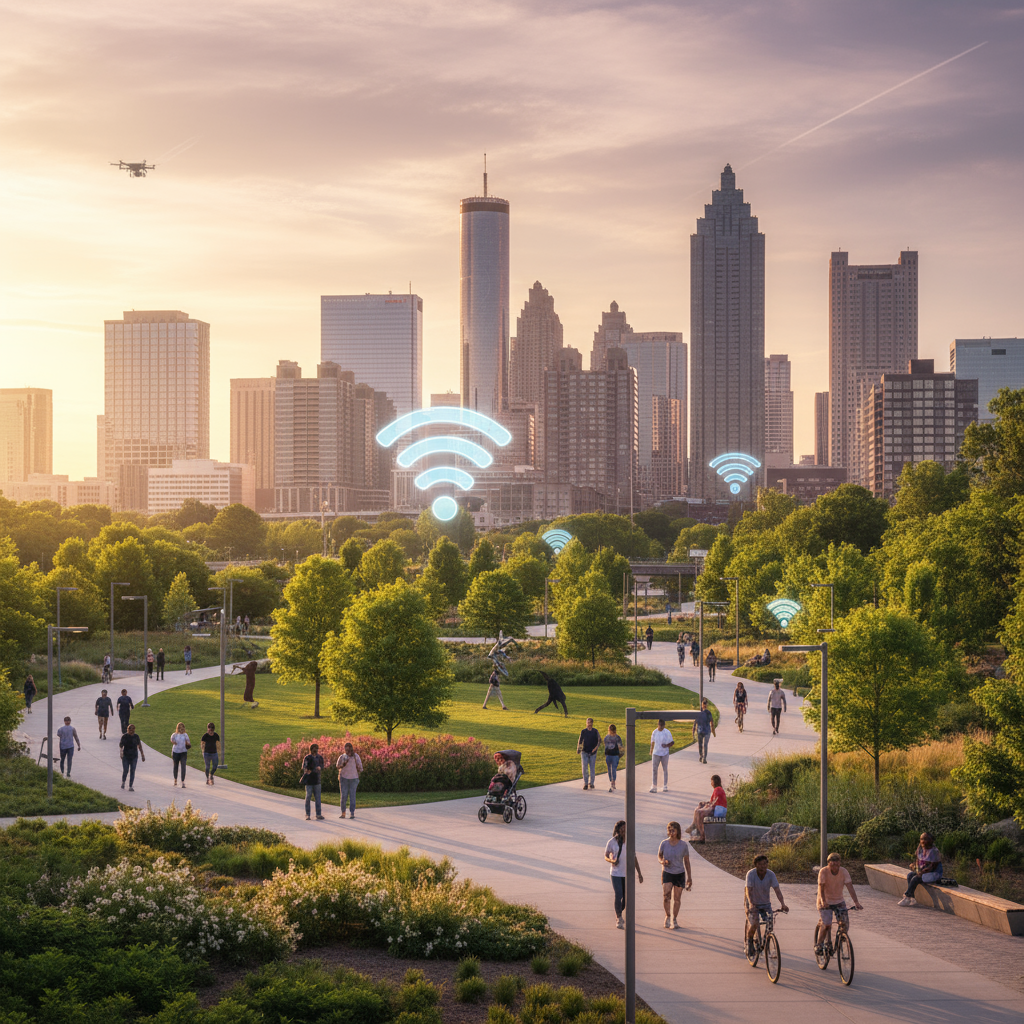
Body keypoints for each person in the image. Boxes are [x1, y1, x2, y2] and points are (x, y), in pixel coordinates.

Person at [815, 852, 863, 955]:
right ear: (828, 864)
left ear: (840, 863)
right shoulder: (823, 871)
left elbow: (850, 887)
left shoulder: (844, 871)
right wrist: (823, 901)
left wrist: (856, 902)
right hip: (824, 901)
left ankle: (841, 938)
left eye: (837, 864)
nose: (835, 867)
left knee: (844, 924)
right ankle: (819, 944)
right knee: (827, 924)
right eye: (832, 864)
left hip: (838, 901)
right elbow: (821, 888)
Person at [744, 854, 788, 957]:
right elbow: (748, 890)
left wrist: (783, 904)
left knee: (770, 924)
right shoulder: (751, 874)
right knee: (754, 923)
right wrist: (751, 904)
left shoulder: (771, 874)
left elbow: (777, 890)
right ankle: (749, 942)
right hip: (752, 903)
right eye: (760, 864)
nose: (763, 866)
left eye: (765, 864)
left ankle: (766, 944)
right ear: (756, 865)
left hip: (765, 903)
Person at [605, 819, 643, 929]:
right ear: (617, 830)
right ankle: (619, 917)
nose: (624, 831)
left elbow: (634, 857)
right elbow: (606, 855)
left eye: (625, 829)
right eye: (622, 829)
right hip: (616, 873)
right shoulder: (612, 842)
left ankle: (619, 910)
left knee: (626, 898)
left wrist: (639, 873)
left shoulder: (630, 841)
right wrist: (612, 861)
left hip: (628, 874)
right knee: (619, 894)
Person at [657, 821, 692, 929]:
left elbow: (686, 861)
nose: (671, 832)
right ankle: (667, 916)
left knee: (677, 899)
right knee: (666, 896)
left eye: (673, 830)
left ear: (677, 831)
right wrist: (662, 861)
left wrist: (689, 877)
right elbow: (659, 856)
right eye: (669, 830)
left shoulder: (683, 845)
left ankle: (674, 918)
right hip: (667, 872)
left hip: (679, 873)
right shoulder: (664, 843)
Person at [898, 832, 942, 906]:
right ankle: (912, 898)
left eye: (926, 839)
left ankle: (907, 896)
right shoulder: (921, 849)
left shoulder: (934, 851)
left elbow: (932, 867)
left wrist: (921, 872)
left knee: (916, 878)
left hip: (934, 874)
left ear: (931, 840)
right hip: (923, 872)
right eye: (921, 839)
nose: (923, 841)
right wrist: (914, 865)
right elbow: (918, 860)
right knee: (910, 875)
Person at [688, 774, 727, 841]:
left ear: (714, 782)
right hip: (718, 809)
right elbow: (712, 802)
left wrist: (706, 807)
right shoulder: (718, 789)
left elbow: (714, 803)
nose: (711, 783)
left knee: (699, 812)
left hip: (719, 810)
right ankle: (695, 827)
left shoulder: (717, 789)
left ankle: (702, 835)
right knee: (698, 809)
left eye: (711, 781)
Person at [337, 741, 363, 819]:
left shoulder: (356, 756)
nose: (347, 751)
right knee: (343, 796)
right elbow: (337, 766)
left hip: (354, 778)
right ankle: (343, 812)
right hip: (343, 778)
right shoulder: (342, 756)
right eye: (346, 749)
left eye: (349, 749)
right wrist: (343, 764)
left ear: (351, 749)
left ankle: (352, 812)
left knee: (352, 796)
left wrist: (358, 768)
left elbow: (360, 768)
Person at [301, 742, 325, 820]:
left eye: (316, 749)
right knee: (308, 797)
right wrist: (308, 770)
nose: (316, 750)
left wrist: (319, 768)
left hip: (317, 780)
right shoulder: (307, 758)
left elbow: (322, 766)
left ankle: (318, 814)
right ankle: (307, 814)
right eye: (314, 749)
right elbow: (305, 767)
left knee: (318, 798)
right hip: (309, 781)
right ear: (311, 750)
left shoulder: (320, 758)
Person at [649, 718, 674, 793]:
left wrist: (666, 745)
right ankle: (654, 786)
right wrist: (651, 750)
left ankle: (665, 785)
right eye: (660, 726)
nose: (661, 727)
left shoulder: (667, 732)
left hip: (664, 753)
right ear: (658, 725)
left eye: (662, 726)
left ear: (664, 725)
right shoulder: (654, 732)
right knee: (654, 769)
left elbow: (672, 742)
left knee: (665, 769)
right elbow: (652, 742)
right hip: (656, 753)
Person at [119, 723, 145, 790]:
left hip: (134, 756)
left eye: (133, 730)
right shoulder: (124, 736)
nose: (132, 731)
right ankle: (123, 782)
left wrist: (142, 754)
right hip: (126, 756)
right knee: (126, 770)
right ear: (128, 730)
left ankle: (130, 785)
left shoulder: (136, 737)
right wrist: (121, 753)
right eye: (130, 730)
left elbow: (139, 745)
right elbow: (121, 745)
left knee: (132, 771)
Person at [577, 716, 600, 790]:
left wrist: (595, 749)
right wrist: (579, 749)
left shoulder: (595, 731)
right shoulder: (583, 731)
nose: (589, 724)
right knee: (585, 768)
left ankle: (592, 783)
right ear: (586, 723)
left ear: (592, 723)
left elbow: (599, 741)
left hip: (593, 753)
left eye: (590, 722)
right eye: (588, 722)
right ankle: (586, 783)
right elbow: (580, 741)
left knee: (592, 768)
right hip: (584, 752)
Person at [692, 698, 715, 763]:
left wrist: (713, 730)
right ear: (702, 705)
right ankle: (701, 755)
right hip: (700, 731)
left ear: (707, 705)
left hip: (707, 731)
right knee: (700, 744)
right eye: (703, 704)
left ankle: (704, 758)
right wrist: (693, 730)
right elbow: (695, 722)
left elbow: (711, 721)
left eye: (705, 704)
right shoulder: (699, 713)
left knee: (705, 744)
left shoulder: (708, 713)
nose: (704, 705)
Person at [604, 724, 624, 792]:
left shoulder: (617, 738)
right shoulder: (606, 738)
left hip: (615, 755)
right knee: (609, 769)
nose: (612, 732)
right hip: (608, 755)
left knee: (614, 769)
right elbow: (606, 746)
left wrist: (620, 748)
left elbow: (621, 746)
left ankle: (613, 782)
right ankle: (611, 780)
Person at [170, 722, 191, 787]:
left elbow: (189, 743)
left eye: (182, 727)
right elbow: (171, 740)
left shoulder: (185, 735)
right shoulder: (174, 735)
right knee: (175, 766)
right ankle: (175, 779)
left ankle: (182, 781)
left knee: (183, 766)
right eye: (180, 728)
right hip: (176, 752)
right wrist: (174, 742)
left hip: (183, 752)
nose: (181, 729)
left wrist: (187, 743)